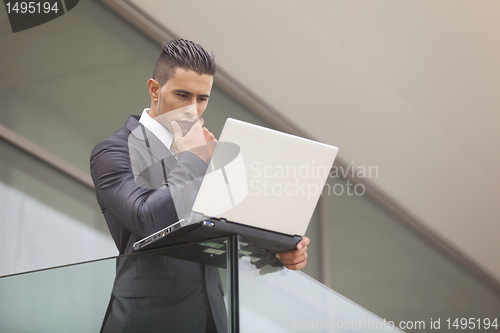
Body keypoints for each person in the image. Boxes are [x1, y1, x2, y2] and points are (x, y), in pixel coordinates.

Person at [90, 39, 309, 333]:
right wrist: (194, 159)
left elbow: (230, 233)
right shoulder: (113, 151)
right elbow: (147, 220)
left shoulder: (209, 157)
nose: (192, 110)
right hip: (145, 319)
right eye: (182, 95)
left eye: (202, 98)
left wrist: (279, 251)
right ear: (154, 90)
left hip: (211, 318)